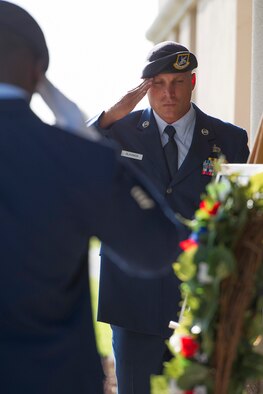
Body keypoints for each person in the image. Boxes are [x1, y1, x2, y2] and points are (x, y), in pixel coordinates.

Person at [0, 4, 187, 394]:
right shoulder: (73, 157)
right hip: (50, 377)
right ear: (38, 71)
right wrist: (93, 151)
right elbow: (158, 245)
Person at [89, 41, 250, 394]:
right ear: (145, 88)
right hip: (132, 297)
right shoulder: (118, 131)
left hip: (201, 301)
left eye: (177, 82)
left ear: (192, 83)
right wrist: (109, 115)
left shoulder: (230, 139)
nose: (168, 93)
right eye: (158, 84)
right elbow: (73, 156)